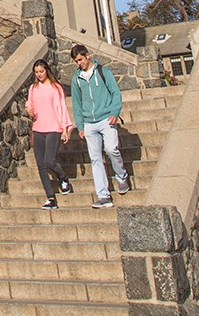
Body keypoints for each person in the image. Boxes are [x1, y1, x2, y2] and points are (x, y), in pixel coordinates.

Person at [68, 43, 130, 208]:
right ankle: (103, 195)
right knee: (95, 159)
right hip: (89, 123)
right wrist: (80, 126)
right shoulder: (76, 79)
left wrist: (114, 112)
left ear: (87, 55)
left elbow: (115, 92)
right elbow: (76, 103)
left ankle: (122, 176)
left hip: (106, 119)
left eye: (80, 59)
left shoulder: (103, 71)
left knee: (111, 149)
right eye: (76, 61)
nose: (79, 63)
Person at [26, 58, 75, 209]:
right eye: (36, 72)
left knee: (50, 161)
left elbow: (62, 108)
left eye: (41, 71)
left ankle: (63, 177)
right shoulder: (33, 88)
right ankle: (50, 197)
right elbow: (29, 104)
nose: (39, 75)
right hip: (38, 129)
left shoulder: (56, 87)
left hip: (53, 127)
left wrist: (65, 129)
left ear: (46, 70)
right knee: (41, 165)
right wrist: (29, 110)